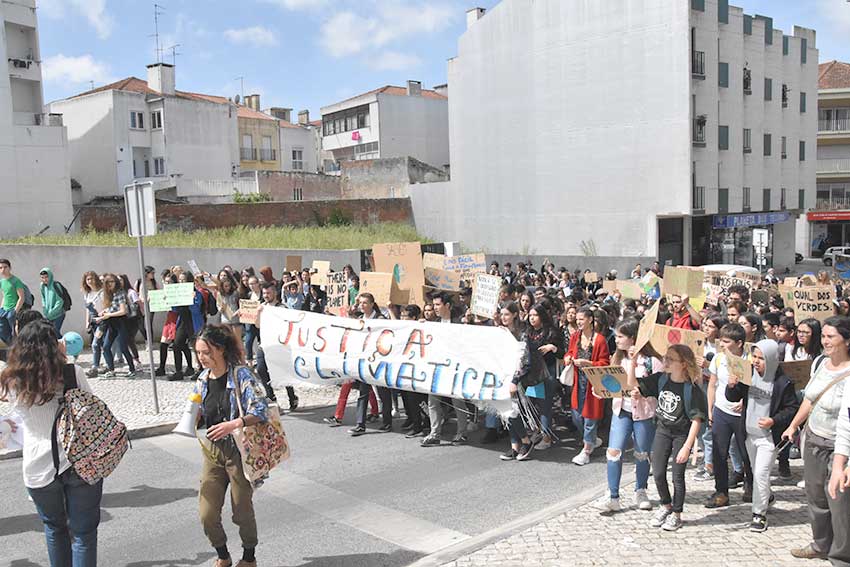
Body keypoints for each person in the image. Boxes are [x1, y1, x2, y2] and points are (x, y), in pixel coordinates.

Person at [0, 321, 103, 566]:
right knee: (84, 535)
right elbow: (92, 408)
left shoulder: (11, 380)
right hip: (79, 460)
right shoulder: (70, 372)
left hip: (37, 466)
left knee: (55, 530)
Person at [192, 325, 269, 567]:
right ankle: (223, 555)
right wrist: (192, 418)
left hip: (239, 450)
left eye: (206, 352)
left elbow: (261, 408)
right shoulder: (202, 379)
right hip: (213, 452)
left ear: (221, 349)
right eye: (198, 353)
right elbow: (199, 411)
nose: (201, 358)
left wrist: (234, 424)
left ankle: (249, 557)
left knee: (241, 510)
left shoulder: (241, 375)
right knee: (207, 513)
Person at [784, 316, 850, 563]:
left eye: (831, 336)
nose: (825, 341)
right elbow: (810, 399)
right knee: (816, 497)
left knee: (840, 503)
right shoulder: (821, 363)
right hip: (813, 440)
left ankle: (842, 556)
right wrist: (793, 425)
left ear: (847, 340)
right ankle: (821, 544)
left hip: (839, 447)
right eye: (823, 336)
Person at [627, 344, 707, 531]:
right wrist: (632, 361)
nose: (666, 362)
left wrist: (687, 446)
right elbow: (632, 383)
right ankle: (666, 505)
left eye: (671, 359)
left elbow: (697, 420)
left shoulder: (692, 389)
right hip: (662, 430)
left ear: (684, 364)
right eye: (666, 358)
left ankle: (677, 514)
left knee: (677, 476)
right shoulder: (661, 379)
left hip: (681, 434)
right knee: (658, 472)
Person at [725, 340, 799, 532]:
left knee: (760, 473)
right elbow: (733, 396)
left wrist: (773, 420)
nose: (756, 361)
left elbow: (791, 408)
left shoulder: (783, 383)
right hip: (749, 434)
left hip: (769, 438)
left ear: (773, 359)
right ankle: (768, 497)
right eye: (754, 356)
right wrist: (732, 386)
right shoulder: (747, 374)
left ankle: (759, 514)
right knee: (756, 472)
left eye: (761, 358)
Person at [705, 323, 752, 509]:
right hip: (721, 410)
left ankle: (751, 486)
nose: (722, 345)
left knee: (746, 452)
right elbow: (712, 385)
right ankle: (721, 492)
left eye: (726, 341)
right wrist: (710, 408)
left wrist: (745, 402)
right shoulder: (718, 359)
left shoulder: (749, 360)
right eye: (721, 341)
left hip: (742, 415)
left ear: (739, 343)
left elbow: (754, 388)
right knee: (719, 453)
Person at [421, 292, 470, 446]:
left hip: (455, 370)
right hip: (437, 369)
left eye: (437, 305)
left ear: (447, 305)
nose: (435, 308)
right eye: (433, 305)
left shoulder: (459, 323)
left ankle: (462, 433)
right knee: (433, 402)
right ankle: (434, 433)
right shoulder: (433, 324)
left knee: (457, 402)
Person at [565, 307, 611, 465]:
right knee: (577, 416)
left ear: (590, 320)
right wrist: (568, 358)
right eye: (577, 319)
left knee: (590, 418)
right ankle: (592, 439)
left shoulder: (599, 340)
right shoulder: (575, 336)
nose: (578, 322)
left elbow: (605, 363)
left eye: (581, 319)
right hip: (579, 382)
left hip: (593, 383)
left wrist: (589, 363)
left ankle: (586, 451)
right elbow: (569, 352)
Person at [348, 293, 394, 437]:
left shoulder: (380, 319)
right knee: (363, 392)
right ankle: (360, 424)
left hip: (379, 362)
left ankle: (387, 422)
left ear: (372, 304)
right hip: (364, 362)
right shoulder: (360, 320)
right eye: (360, 303)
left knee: (383, 393)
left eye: (365, 303)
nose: (362, 305)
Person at [97, 274, 136, 378]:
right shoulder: (107, 294)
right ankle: (111, 370)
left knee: (123, 347)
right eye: (108, 282)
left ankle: (132, 369)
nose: (110, 284)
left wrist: (108, 314)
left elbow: (122, 311)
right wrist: (103, 312)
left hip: (121, 322)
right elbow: (111, 308)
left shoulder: (120, 293)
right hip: (111, 323)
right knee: (105, 347)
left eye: (112, 282)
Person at [0, 258, 26, 346]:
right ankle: (11, 347)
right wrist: (1, 308)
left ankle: (17, 350)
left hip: (12, 311)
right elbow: (4, 296)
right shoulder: (2, 282)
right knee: (2, 331)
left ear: (10, 268)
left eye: (5, 267)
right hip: (4, 310)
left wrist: (15, 311)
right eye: (0, 268)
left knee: (15, 333)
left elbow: (21, 297)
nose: (3, 270)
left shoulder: (16, 281)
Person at [39, 268, 68, 334]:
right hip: (48, 315)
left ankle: (63, 344)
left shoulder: (56, 285)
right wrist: (45, 310)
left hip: (59, 314)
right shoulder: (42, 286)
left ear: (50, 276)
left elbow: (60, 301)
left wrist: (51, 312)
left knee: (55, 333)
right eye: (42, 277)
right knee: (49, 334)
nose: (44, 279)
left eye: (46, 277)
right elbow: (43, 298)